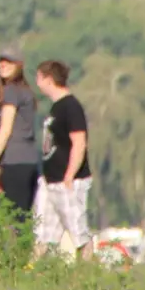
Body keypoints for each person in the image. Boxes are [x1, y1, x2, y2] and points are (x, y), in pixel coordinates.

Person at [0, 48, 42, 218]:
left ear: (18, 65)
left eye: (8, 62)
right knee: (24, 216)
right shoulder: (25, 91)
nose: (2, 65)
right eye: (1, 61)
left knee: (15, 218)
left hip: (14, 160)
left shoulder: (11, 91)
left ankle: (18, 246)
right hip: (31, 159)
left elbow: (5, 130)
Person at [35, 60, 93, 260]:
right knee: (43, 234)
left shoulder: (70, 106)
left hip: (68, 181)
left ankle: (87, 272)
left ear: (49, 79)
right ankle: (35, 274)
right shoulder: (56, 107)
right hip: (51, 180)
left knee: (78, 231)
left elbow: (79, 142)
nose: (37, 83)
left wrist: (70, 174)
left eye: (39, 78)